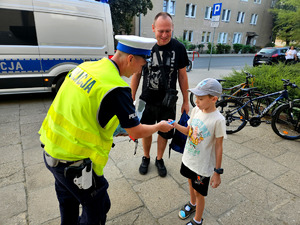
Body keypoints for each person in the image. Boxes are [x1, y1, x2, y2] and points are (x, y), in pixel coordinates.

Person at [38, 35, 174, 225]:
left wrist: (113, 128)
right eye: (142, 65)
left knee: (68, 204)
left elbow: (82, 109)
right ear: (131, 59)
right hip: (74, 164)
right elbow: (136, 132)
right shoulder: (117, 88)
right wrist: (159, 126)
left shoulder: (85, 68)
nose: (140, 71)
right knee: (98, 208)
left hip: (51, 149)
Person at [130, 12, 190, 177]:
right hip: (146, 100)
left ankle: (159, 158)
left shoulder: (179, 48)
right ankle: (146, 156)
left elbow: (183, 76)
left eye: (168, 31)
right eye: (160, 31)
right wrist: (132, 96)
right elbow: (136, 74)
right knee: (146, 130)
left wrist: (186, 101)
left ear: (172, 29)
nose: (164, 35)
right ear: (153, 28)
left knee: (165, 132)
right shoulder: (145, 49)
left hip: (168, 102)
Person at [172, 78, 227, 225]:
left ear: (213, 99)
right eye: (196, 97)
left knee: (199, 193)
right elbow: (189, 131)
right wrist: (175, 125)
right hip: (189, 159)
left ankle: (197, 220)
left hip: (202, 167)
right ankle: (192, 203)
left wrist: (217, 172)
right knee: (190, 183)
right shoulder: (196, 110)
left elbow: (219, 146)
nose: (196, 101)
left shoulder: (218, 120)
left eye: (201, 98)